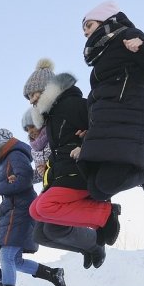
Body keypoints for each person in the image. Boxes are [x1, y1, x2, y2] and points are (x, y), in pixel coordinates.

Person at [73, 0, 144, 201]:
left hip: (131, 119)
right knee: (95, 188)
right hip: (105, 126)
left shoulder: (127, 36)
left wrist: (143, 47)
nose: (86, 33)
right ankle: (108, 220)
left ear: (105, 20)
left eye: (89, 26)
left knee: (107, 184)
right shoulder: (100, 59)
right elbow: (99, 98)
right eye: (84, 30)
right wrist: (88, 127)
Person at [24, 58, 120, 264]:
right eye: (28, 97)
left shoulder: (74, 105)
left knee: (44, 208)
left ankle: (105, 214)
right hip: (60, 174)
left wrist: (88, 138)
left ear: (47, 89)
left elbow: (103, 127)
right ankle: (89, 247)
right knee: (39, 225)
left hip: (78, 173)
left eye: (34, 94)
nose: (31, 100)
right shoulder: (50, 121)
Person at [0, 128, 66, 286]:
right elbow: (26, 177)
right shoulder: (9, 157)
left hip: (18, 211)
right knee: (16, 260)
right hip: (14, 210)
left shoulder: (14, 154)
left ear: (0, 144)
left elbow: (24, 181)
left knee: (6, 255)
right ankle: (53, 274)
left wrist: (3, 186)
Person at [21, 108, 51, 185]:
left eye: (32, 126)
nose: (30, 131)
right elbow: (40, 175)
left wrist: (48, 167)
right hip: (49, 184)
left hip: (64, 180)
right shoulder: (34, 150)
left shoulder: (53, 138)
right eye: (27, 130)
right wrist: (19, 178)